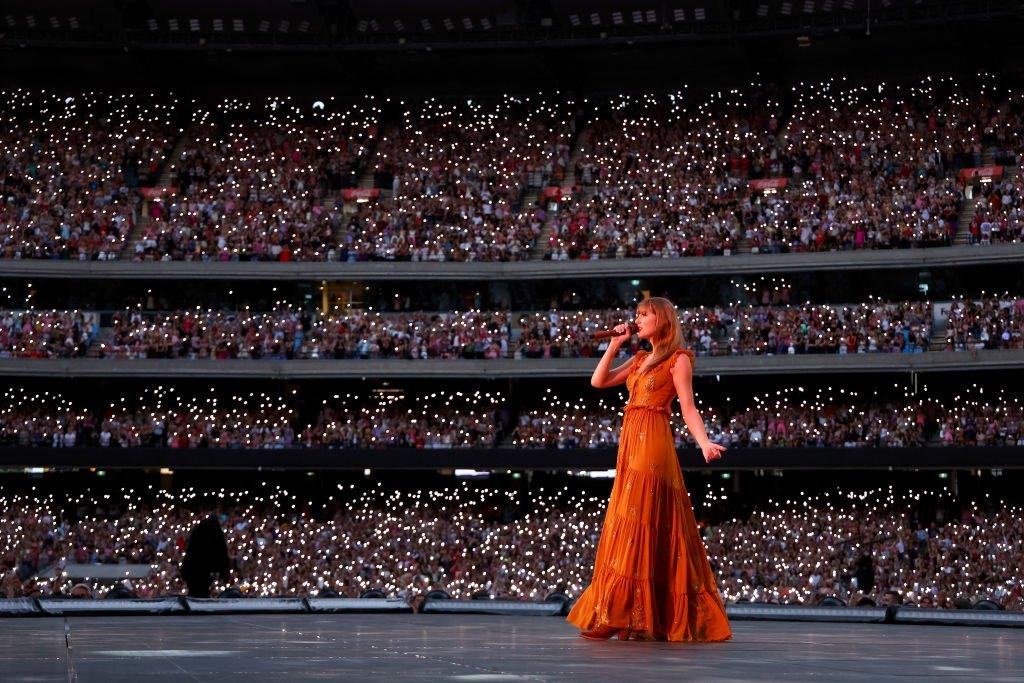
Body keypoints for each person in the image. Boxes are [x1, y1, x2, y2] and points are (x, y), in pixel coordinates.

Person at [567, 296, 732, 642]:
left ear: (664, 320)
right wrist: (613, 345)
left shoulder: (679, 359)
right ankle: (631, 612)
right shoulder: (640, 358)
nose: (637, 320)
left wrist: (703, 442)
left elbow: (688, 407)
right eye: (637, 315)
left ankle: (631, 612)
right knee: (632, 520)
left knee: (638, 518)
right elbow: (599, 381)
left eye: (644, 315)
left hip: (654, 439)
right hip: (631, 440)